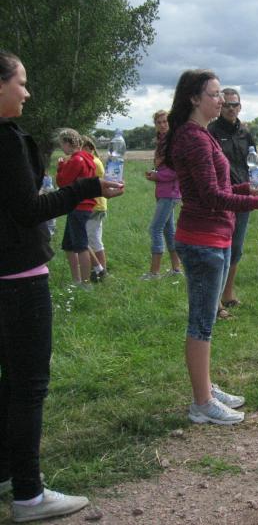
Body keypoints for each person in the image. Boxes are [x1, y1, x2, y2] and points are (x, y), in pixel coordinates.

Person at [0, 51, 124, 522]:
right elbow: (28, 210)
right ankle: (29, 496)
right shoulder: (8, 140)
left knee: (9, 382)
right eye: (21, 82)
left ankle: (6, 471)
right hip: (19, 277)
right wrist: (85, 189)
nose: (27, 92)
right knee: (29, 386)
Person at [162, 69, 258, 426]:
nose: (221, 100)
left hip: (212, 237)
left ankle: (205, 387)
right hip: (202, 240)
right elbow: (210, 197)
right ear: (194, 98)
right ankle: (201, 403)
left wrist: (245, 189)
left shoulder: (200, 134)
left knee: (205, 321)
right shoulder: (194, 138)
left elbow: (218, 188)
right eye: (215, 94)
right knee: (201, 323)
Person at [208, 88, 257, 313]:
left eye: (234, 105)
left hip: (243, 197)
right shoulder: (211, 132)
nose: (230, 109)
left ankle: (228, 294)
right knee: (219, 248)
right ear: (220, 106)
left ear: (240, 107)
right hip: (221, 198)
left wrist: (255, 184)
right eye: (226, 104)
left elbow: (253, 163)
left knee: (236, 247)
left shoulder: (246, 133)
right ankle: (215, 301)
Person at [142, 110, 182, 279]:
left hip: (170, 192)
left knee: (155, 229)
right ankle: (176, 269)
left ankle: (154, 272)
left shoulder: (173, 142)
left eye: (165, 121)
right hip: (164, 191)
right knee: (168, 230)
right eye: (159, 122)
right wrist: (155, 172)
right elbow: (165, 167)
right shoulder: (162, 142)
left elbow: (177, 170)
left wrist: (157, 176)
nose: (162, 125)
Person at [55, 128, 97, 287]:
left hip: (78, 206)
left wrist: (60, 166)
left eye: (62, 144)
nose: (62, 148)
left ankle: (85, 284)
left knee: (80, 246)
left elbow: (63, 182)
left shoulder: (76, 160)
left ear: (67, 143)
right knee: (68, 245)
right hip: (81, 205)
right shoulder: (87, 158)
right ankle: (76, 281)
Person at [81, 136, 108, 282]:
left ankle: (101, 271)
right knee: (93, 239)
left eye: (83, 148)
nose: (80, 151)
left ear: (90, 148)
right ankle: (98, 270)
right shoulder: (92, 160)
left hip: (95, 205)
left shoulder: (93, 162)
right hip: (95, 204)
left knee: (92, 240)